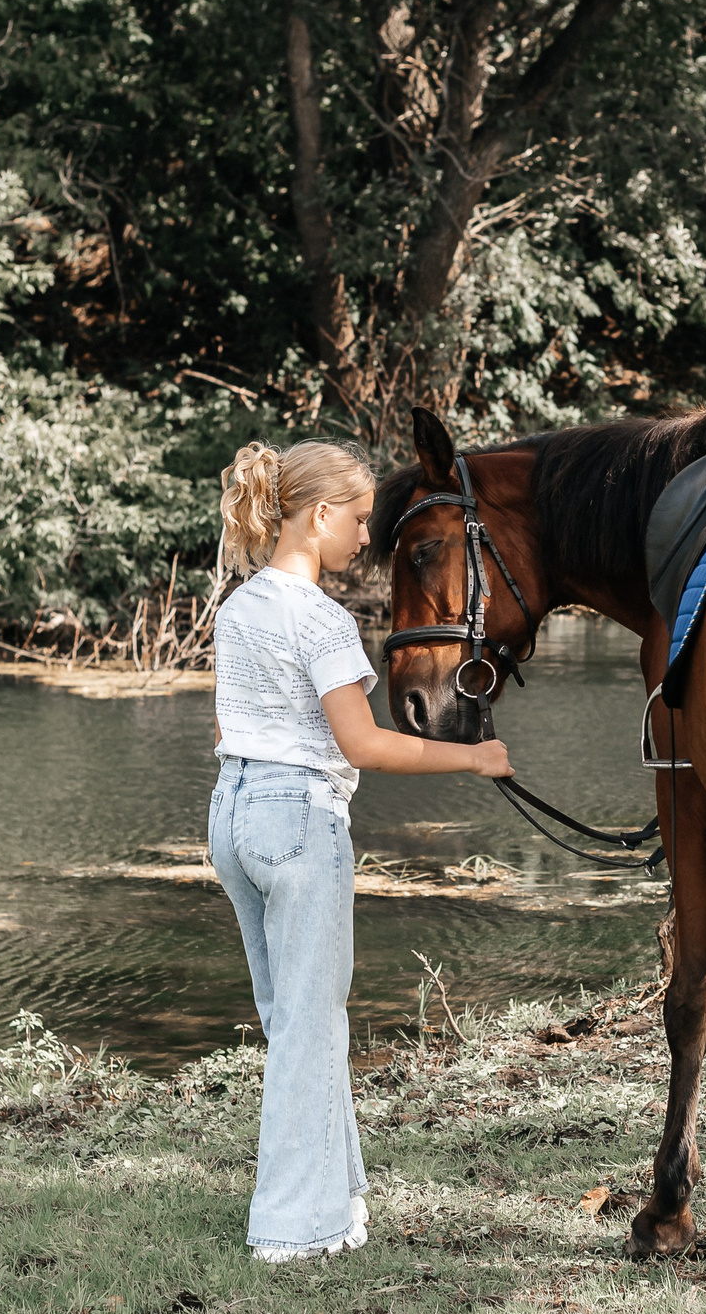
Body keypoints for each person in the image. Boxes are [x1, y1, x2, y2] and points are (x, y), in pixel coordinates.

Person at [209, 439, 514, 1263]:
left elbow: (230, 728)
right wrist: (474, 756)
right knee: (311, 1028)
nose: (363, 536)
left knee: (293, 1022)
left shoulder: (237, 609)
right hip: (299, 821)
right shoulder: (320, 618)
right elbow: (365, 743)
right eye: (355, 518)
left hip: (232, 814)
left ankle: (337, 1209)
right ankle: (287, 1230)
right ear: (316, 515)